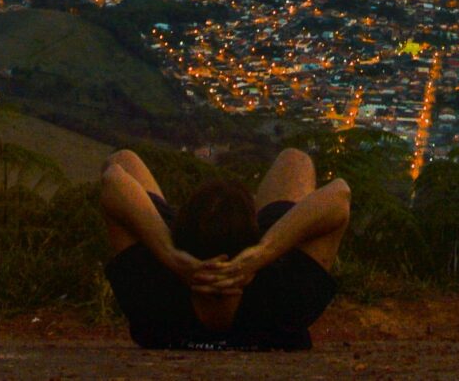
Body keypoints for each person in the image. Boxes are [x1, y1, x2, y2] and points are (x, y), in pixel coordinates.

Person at [99, 146, 349, 351]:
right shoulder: (284, 305)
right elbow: (339, 194)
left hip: (181, 260)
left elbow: (114, 176)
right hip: (254, 256)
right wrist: (263, 253)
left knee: (124, 158)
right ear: (254, 237)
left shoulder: (152, 301)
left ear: (179, 236)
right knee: (295, 159)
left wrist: (170, 255)